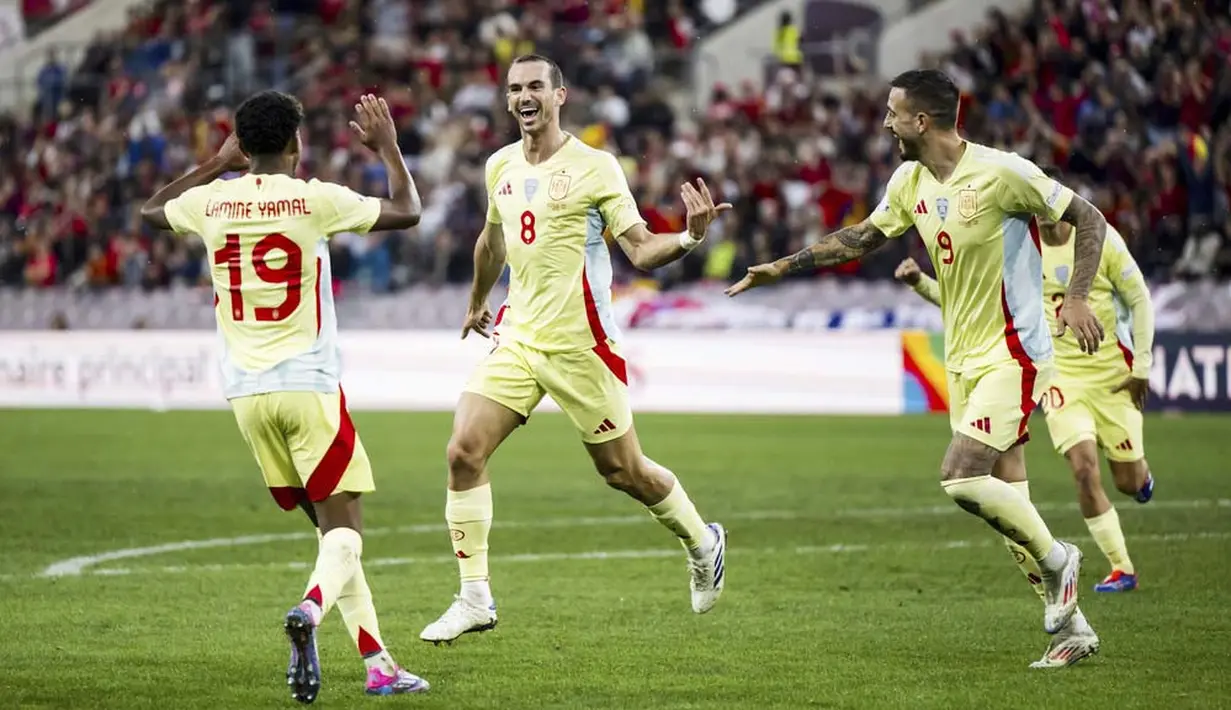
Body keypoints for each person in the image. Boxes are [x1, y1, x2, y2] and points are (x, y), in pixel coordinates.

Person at [726, 69, 1108, 667]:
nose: (884, 122)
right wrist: (785, 265)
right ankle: (1074, 630)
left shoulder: (1003, 173)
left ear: (921, 121)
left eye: (892, 112)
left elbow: (1090, 219)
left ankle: (1062, 560)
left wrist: (1079, 295)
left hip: (1014, 352)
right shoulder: (910, 180)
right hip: (961, 359)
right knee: (1007, 502)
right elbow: (864, 237)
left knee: (960, 475)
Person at [419, 54, 730, 645]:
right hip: (520, 339)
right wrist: (476, 300)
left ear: (560, 95)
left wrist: (689, 237)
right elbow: (492, 240)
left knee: (624, 471)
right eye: (515, 88)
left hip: (582, 346)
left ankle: (702, 540)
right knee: (462, 451)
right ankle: (474, 597)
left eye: (536, 85)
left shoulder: (596, 167)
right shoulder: (499, 166)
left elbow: (639, 249)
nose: (524, 96)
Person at [140, 91, 429, 702]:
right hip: (308, 387)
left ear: (242, 146)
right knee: (346, 530)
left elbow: (151, 210)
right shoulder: (316, 198)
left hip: (247, 397)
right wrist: (389, 148)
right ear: (295, 145)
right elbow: (408, 211)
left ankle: (379, 664)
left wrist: (219, 165)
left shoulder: (213, 201)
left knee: (331, 535)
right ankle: (310, 609)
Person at [896, 210, 1157, 596]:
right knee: (1084, 470)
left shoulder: (1099, 241)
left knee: (1128, 481)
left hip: (1112, 377)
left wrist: (1142, 366)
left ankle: (1141, 479)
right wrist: (920, 283)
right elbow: (970, 308)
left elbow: (1139, 298)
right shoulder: (1022, 251)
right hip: (1061, 379)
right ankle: (1122, 567)